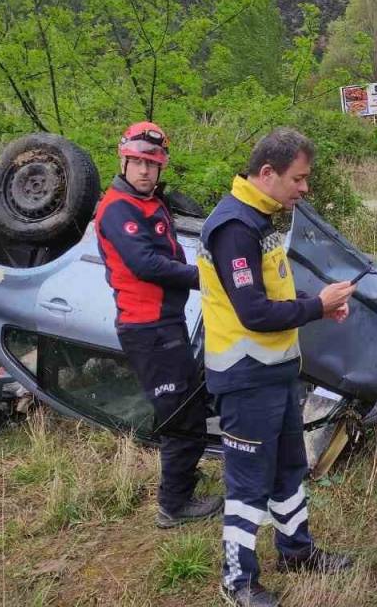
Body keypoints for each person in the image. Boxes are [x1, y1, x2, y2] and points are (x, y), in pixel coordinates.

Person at [199, 128, 356, 607]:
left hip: (277, 372)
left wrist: (317, 304)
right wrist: (316, 306)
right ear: (267, 173)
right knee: (248, 483)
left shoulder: (260, 217)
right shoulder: (234, 227)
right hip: (246, 378)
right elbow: (253, 312)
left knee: (290, 468)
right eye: (298, 179)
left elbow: (273, 294)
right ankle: (237, 581)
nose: (304, 188)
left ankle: (297, 552)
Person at [93, 121, 220, 528]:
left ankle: (182, 486)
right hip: (147, 329)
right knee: (180, 416)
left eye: (152, 163)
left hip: (166, 323)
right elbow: (145, 264)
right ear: (124, 161)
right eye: (138, 163)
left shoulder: (151, 201)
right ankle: (173, 506)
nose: (145, 170)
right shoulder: (118, 208)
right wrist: (206, 279)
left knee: (188, 407)